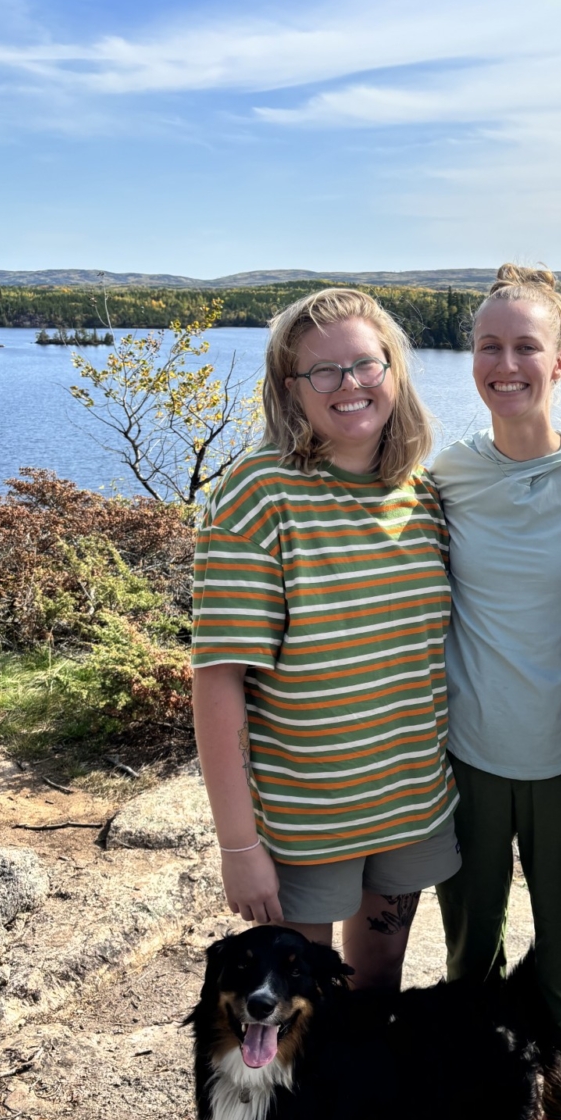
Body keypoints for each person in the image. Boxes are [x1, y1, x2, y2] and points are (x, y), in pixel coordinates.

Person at [191, 287, 460, 995]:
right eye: (323, 371)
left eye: (366, 365)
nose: (349, 384)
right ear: (292, 389)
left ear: (393, 372)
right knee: (301, 1010)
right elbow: (217, 678)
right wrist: (238, 845)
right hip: (304, 821)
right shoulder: (257, 495)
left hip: (409, 803)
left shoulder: (421, 494)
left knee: (377, 989)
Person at [431, 265, 561, 1120]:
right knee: (468, 952)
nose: (505, 364)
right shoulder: (444, 475)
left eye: (525, 346)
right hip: (466, 756)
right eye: (488, 346)